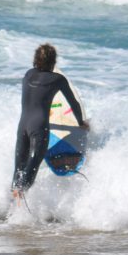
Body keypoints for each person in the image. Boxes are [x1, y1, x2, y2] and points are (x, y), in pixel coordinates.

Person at [11, 44, 87, 200]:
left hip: (22, 126)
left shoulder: (28, 74)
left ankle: (13, 207)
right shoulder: (58, 79)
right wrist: (81, 122)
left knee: (19, 168)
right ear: (53, 61)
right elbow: (73, 103)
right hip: (39, 128)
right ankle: (21, 208)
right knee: (32, 166)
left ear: (35, 59)